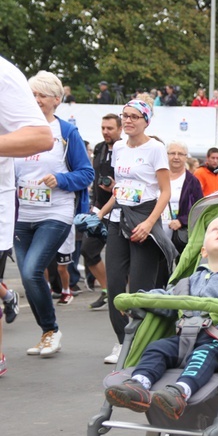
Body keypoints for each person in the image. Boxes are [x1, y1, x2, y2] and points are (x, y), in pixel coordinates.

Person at [104, 215, 218, 419]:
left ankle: (180, 392)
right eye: (215, 230)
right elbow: (169, 299)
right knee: (156, 348)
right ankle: (139, 384)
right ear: (203, 251)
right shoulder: (191, 280)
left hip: (217, 342)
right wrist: (142, 300)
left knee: (202, 357)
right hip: (182, 337)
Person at [15, 70, 94, 358]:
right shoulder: (18, 129)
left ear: (56, 100)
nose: (36, 100)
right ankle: (48, 332)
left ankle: (51, 330)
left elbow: (86, 174)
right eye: (32, 94)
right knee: (28, 277)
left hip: (55, 212)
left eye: (42, 95)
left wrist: (59, 180)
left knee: (32, 270)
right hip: (22, 214)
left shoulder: (66, 132)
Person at [98, 95, 176, 364]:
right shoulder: (118, 147)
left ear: (146, 121)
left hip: (145, 219)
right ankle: (122, 341)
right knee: (116, 286)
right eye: (125, 116)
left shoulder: (155, 148)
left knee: (142, 289)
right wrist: (101, 213)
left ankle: (143, 342)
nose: (128, 121)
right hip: (119, 219)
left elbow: (165, 191)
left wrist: (149, 223)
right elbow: (119, 189)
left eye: (134, 117)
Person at [0, 56, 54, 377]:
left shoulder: (4, 73)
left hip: (51, 211)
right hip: (27, 209)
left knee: (32, 269)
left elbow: (41, 137)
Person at [84, 114, 122, 309]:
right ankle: (107, 290)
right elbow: (95, 176)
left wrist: (116, 187)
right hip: (99, 209)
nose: (106, 132)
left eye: (110, 128)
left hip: (120, 210)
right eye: (103, 128)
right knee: (88, 250)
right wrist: (94, 203)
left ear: (120, 129)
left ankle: (125, 296)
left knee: (120, 258)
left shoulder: (124, 148)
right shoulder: (99, 148)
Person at [163, 141, 203, 255]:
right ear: (166, 155)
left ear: (186, 157)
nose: (176, 157)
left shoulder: (192, 181)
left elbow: (199, 207)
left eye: (180, 154)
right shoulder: (157, 177)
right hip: (157, 232)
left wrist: (182, 221)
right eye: (172, 153)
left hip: (179, 235)